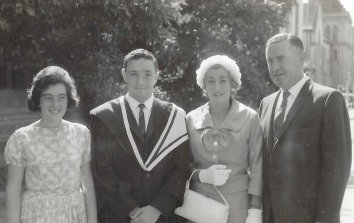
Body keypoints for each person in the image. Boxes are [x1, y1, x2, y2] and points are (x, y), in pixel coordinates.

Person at [89, 49, 192, 223]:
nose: (141, 81)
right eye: (133, 74)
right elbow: (102, 171)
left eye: (147, 74)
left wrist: (157, 207)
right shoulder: (104, 117)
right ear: (124, 75)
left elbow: (181, 168)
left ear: (156, 76)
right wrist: (131, 209)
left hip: (164, 216)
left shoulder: (175, 116)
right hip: (120, 216)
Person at [259, 33, 352, 223]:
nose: (275, 67)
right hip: (271, 216)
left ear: (301, 58)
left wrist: (325, 219)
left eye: (280, 59)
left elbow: (337, 168)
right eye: (270, 61)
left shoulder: (327, 99)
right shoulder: (266, 104)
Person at [5, 66, 97, 223]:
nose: (55, 104)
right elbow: (13, 190)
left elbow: (88, 183)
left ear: (68, 99)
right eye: (48, 97)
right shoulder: (22, 138)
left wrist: (92, 220)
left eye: (61, 97)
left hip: (74, 214)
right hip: (37, 215)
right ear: (38, 100)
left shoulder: (81, 133)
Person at [185, 55, 263, 223]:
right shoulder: (191, 119)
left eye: (223, 80)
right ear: (204, 85)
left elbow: (258, 167)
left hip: (237, 209)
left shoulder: (250, 118)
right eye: (211, 81)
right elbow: (182, 166)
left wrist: (254, 211)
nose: (217, 87)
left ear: (232, 84)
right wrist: (202, 176)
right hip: (199, 208)